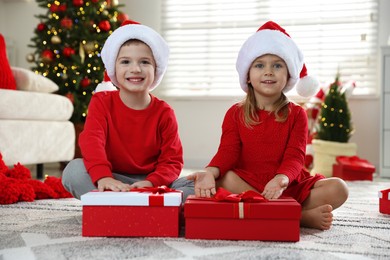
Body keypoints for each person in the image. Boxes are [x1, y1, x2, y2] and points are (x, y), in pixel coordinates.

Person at [187, 21, 349, 230]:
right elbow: (228, 151)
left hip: (286, 184)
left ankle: (277, 209)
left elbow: (295, 156)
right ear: (248, 74)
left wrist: (281, 179)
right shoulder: (235, 113)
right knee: (223, 179)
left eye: (277, 65)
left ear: (289, 74)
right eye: (260, 65)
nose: (269, 71)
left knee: (339, 188)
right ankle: (298, 216)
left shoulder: (297, 114)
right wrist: (210, 171)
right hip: (248, 183)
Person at [62, 20, 194, 201]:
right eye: (125, 61)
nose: (135, 69)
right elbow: (92, 141)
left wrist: (152, 182)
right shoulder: (101, 102)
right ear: (113, 68)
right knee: (73, 171)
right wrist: (104, 176)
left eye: (145, 62)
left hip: (151, 183)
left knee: (194, 185)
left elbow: (172, 161)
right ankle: (138, 207)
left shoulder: (164, 112)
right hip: (112, 178)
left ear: (156, 69)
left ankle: (117, 206)